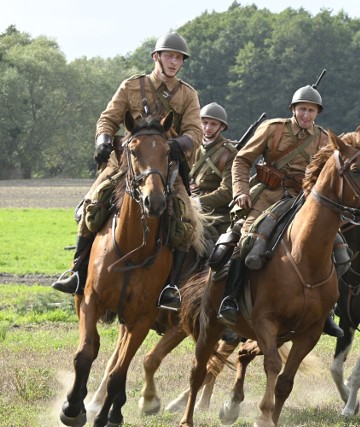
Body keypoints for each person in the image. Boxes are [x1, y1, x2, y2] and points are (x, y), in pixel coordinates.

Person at [51, 32, 203, 312]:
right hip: (125, 163)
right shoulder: (132, 86)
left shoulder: (187, 94)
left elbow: (196, 131)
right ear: (156, 57)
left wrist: (172, 145)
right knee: (92, 205)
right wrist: (103, 140)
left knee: (186, 221)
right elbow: (108, 118)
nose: (174, 61)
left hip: (166, 167)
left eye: (179, 57)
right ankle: (76, 272)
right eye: (169, 55)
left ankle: (171, 288)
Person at [216, 85, 344, 337]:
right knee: (246, 238)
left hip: (302, 201)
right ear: (293, 110)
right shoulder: (273, 129)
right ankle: (230, 300)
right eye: (302, 109)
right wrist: (241, 191)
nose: (306, 114)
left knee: (338, 249)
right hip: (266, 195)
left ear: (317, 113)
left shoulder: (323, 139)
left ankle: (327, 311)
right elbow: (242, 160)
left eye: (311, 110)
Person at [190, 102, 237, 244]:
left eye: (213, 124)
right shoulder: (192, 146)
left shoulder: (229, 153)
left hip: (215, 213)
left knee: (216, 250)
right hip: (187, 203)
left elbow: (227, 191)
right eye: (204, 123)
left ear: (221, 127)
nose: (207, 128)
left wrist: (197, 202)